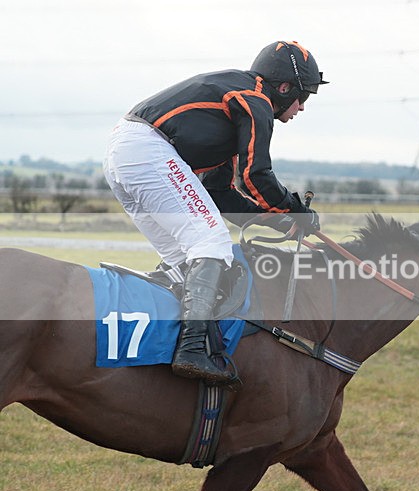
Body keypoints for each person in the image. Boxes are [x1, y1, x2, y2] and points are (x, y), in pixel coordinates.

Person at [103, 41, 326, 386]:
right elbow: (256, 176)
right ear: (284, 88)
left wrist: (280, 221)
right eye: (304, 96)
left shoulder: (233, 106)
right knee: (211, 242)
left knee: (185, 260)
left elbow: (219, 193)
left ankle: (173, 348)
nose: (302, 107)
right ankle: (191, 352)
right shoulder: (255, 101)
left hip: (126, 153)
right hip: (146, 150)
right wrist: (295, 211)